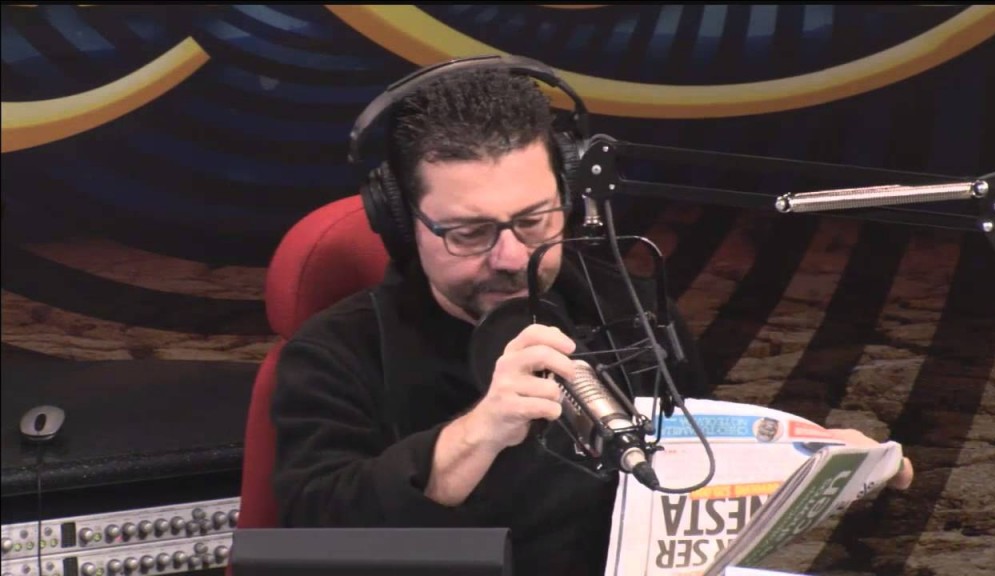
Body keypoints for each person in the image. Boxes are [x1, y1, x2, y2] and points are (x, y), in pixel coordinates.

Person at [269, 56, 913, 576]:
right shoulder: (334, 354)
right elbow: (317, 529)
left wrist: (815, 468)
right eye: (469, 233)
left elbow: (694, 480)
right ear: (401, 222)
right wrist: (478, 434)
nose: (511, 258)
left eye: (534, 220)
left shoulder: (625, 305)